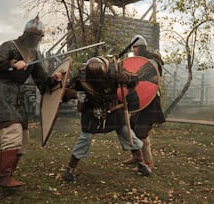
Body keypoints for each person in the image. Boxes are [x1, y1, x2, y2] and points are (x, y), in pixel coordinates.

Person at [0, 15, 63, 187]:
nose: (37, 40)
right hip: (2, 92)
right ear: (26, 35)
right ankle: (3, 178)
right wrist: (13, 63)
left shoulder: (34, 55)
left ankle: (8, 176)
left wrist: (54, 79)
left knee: (24, 139)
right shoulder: (10, 46)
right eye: (35, 36)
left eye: (39, 37)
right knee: (13, 132)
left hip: (17, 98)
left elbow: (42, 80)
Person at [62, 56, 152, 182]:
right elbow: (65, 92)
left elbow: (135, 79)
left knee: (127, 133)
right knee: (85, 138)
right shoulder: (82, 77)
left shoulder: (114, 71)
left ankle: (141, 164)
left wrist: (127, 78)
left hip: (114, 110)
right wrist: (72, 93)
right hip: (92, 111)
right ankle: (69, 169)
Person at [122, 35, 165, 171]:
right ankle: (136, 156)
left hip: (150, 100)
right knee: (132, 127)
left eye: (135, 47)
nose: (133, 50)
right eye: (133, 47)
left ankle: (148, 163)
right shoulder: (143, 61)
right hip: (140, 99)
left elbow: (143, 76)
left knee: (142, 132)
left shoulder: (152, 62)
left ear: (141, 48)